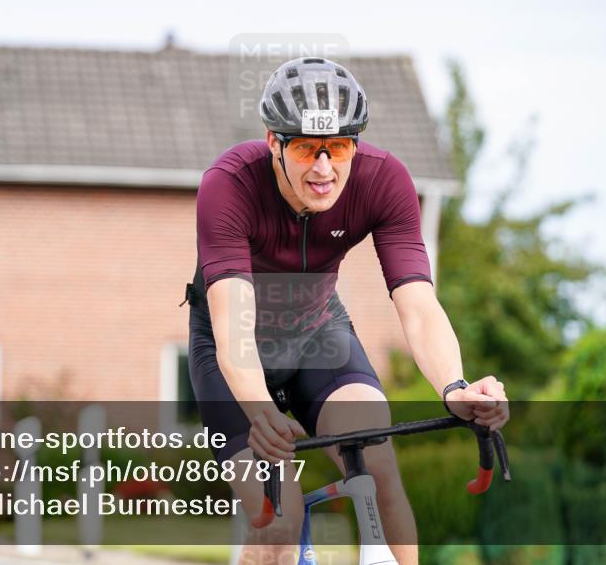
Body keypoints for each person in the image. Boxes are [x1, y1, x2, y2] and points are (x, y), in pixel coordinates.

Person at [183, 57, 509, 565]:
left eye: (337, 148)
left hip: (317, 333)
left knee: (377, 466)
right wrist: (260, 409)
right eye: (308, 149)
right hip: (233, 354)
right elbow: (233, 326)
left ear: (355, 144)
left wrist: (454, 385)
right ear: (274, 142)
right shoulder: (229, 185)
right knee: (278, 517)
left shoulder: (383, 180)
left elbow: (418, 303)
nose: (323, 168)